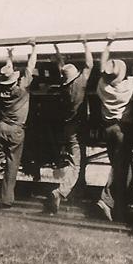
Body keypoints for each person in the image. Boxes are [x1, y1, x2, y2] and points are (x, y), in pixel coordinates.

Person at [0, 40, 38, 208]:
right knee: (12, 163)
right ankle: (6, 199)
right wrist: (33, 48)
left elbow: (7, 73)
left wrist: (9, 56)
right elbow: (30, 66)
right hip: (16, 130)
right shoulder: (21, 89)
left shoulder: (2, 91)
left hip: (1, 127)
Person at [95, 36, 133, 221]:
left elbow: (102, 66)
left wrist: (107, 44)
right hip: (123, 130)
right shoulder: (130, 87)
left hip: (108, 129)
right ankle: (107, 200)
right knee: (121, 166)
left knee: (121, 166)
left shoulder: (102, 86)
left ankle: (120, 204)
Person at [46, 40, 93, 214]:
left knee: (75, 160)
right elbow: (90, 63)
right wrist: (85, 43)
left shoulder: (64, 86)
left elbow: (61, 67)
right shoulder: (81, 82)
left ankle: (76, 188)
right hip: (78, 128)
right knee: (76, 164)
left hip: (68, 127)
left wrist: (56, 49)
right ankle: (60, 191)